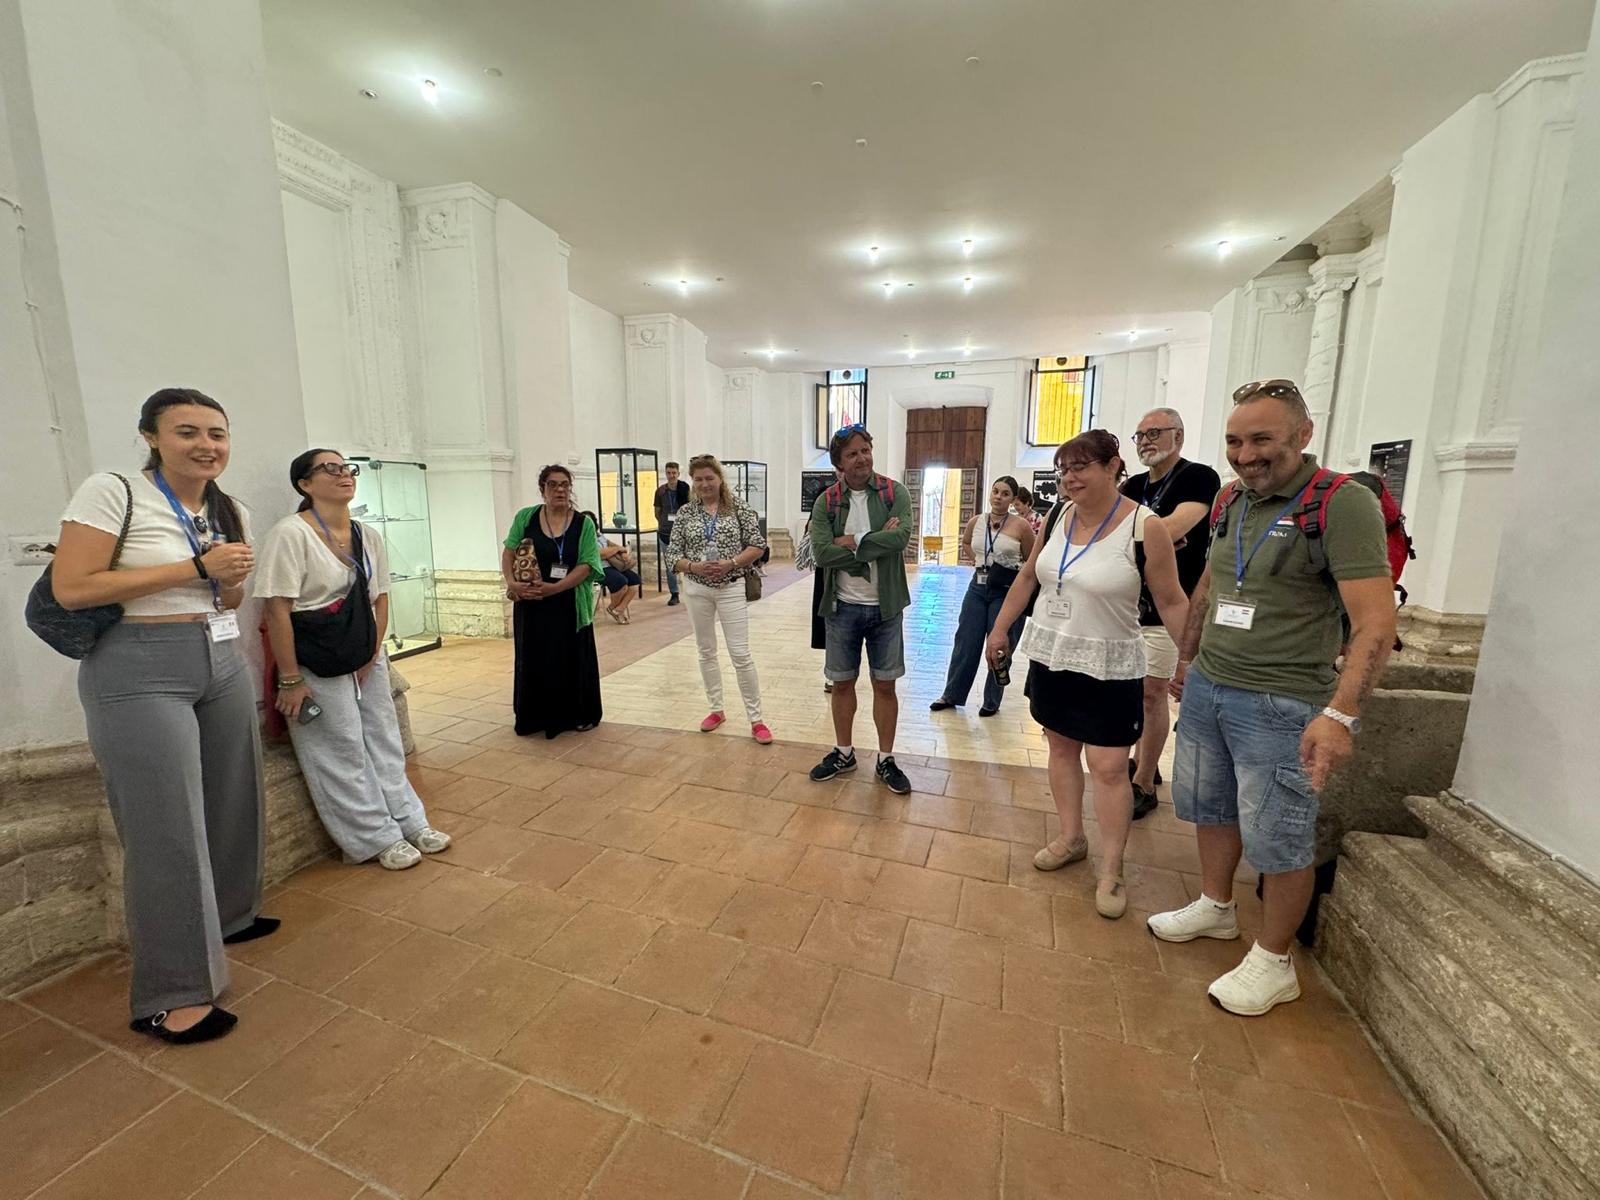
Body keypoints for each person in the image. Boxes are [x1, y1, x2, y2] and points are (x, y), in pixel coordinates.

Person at [1148, 381, 1395, 1015]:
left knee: (1280, 834)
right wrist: (1187, 659)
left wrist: (1339, 716)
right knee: (1211, 807)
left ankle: (1275, 959)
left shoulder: (1341, 503)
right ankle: (1216, 906)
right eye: (1235, 441)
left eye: (1262, 439)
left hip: (1282, 701)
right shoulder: (1231, 498)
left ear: (1303, 435)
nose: (1246, 454)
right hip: (1210, 684)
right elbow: (1210, 585)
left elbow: (1375, 622)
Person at [50, 388, 268, 1045]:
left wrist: (227, 577)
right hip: (138, 665)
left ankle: (231, 915)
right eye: (187, 432)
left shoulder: (229, 507)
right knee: (164, 825)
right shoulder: (113, 491)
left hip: (218, 654)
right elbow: (72, 587)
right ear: (151, 436)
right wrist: (195, 565)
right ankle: (173, 994)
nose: (206, 445)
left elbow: (228, 596)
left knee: (234, 795)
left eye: (217, 434)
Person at [985, 430, 1188, 919]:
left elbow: (1171, 600)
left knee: (1109, 767)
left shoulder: (1144, 526)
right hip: (1054, 654)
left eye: (1080, 468)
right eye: (1064, 470)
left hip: (1109, 662)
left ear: (1113, 466)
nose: (1069, 478)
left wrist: (1189, 659)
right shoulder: (1059, 515)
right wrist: (1000, 628)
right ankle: (1071, 837)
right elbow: (1029, 576)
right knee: (1060, 749)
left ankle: (1112, 868)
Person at [256, 450, 452, 872]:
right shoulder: (291, 534)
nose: (344, 474)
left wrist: (371, 653)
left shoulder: (367, 534)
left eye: (347, 468)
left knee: (384, 737)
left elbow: (379, 597)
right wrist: (290, 678)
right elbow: (277, 609)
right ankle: (372, 836)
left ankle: (409, 819)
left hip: (364, 652)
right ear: (305, 484)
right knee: (338, 747)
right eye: (330, 469)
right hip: (315, 656)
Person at [1121, 408, 1221, 818]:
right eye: (1140, 435)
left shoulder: (1198, 477)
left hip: (1171, 603)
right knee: (1128, 690)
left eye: (1154, 433)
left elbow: (1174, 527)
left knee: (1152, 692)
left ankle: (1145, 781)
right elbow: (1121, 533)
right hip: (1130, 605)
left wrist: (1149, 537)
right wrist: (1154, 537)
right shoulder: (1133, 485)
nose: (1145, 441)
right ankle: (1136, 760)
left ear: (1177, 436)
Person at [807, 424, 914, 793]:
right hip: (842, 607)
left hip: (886, 607)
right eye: (852, 453)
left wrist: (849, 542)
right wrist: (872, 541)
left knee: (885, 685)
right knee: (842, 683)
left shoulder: (893, 492)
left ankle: (886, 758)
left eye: (865, 450)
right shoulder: (827, 502)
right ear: (839, 462)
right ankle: (844, 752)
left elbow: (900, 539)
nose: (862, 458)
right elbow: (822, 553)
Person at [667, 454, 773, 743]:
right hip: (697, 587)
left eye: (709, 478)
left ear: (720, 479)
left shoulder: (738, 507)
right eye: (698, 479)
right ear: (692, 482)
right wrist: (693, 566)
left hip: (731, 586)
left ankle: (756, 719)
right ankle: (716, 709)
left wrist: (731, 563)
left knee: (740, 653)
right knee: (706, 650)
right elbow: (673, 554)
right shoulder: (686, 512)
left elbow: (757, 545)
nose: (704, 484)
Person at [501, 465, 605, 738]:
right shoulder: (526, 517)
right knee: (533, 657)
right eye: (553, 485)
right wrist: (511, 583)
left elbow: (587, 564)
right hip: (531, 601)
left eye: (564, 485)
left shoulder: (583, 524)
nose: (560, 490)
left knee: (568, 657)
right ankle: (533, 716)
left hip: (568, 602)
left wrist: (555, 588)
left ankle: (575, 715)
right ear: (542, 489)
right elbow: (509, 551)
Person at [930, 475, 1036, 716]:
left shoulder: (1021, 526)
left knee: (999, 645)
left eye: (1005, 494)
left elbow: (1031, 559)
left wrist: (1009, 570)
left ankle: (991, 700)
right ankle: (951, 693)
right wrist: (981, 562)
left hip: (1005, 590)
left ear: (1012, 499)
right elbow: (967, 544)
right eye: (995, 491)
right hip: (977, 588)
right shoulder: (976, 521)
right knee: (965, 641)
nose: (998, 497)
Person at [589, 513, 642, 623]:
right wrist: (615, 550)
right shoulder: (582, 538)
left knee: (634, 579)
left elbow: (616, 546)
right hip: (597, 568)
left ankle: (619, 609)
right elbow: (600, 554)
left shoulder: (599, 536)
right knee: (621, 582)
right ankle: (614, 609)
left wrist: (622, 552)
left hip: (611, 565)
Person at [653, 462, 691, 606]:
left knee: (688, 561)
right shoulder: (661, 491)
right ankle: (674, 593)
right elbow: (657, 512)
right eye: (669, 473)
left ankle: (690, 591)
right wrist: (664, 524)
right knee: (670, 564)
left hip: (684, 533)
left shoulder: (685, 488)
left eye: (674, 473)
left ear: (678, 473)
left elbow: (690, 508)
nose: (671, 475)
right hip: (665, 533)